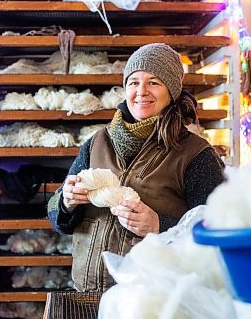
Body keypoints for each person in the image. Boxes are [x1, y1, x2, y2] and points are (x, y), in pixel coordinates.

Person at [47, 43, 225, 292]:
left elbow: (217, 231)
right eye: (133, 82)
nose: (142, 91)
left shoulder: (196, 154)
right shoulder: (97, 142)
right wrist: (66, 203)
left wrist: (159, 226)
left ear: (171, 91)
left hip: (152, 299)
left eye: (154, 82)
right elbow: (58, 219)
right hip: (88, 296)